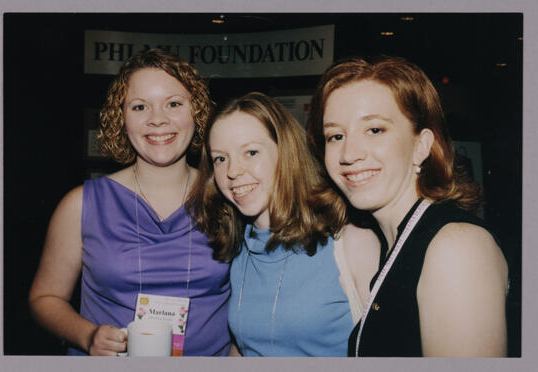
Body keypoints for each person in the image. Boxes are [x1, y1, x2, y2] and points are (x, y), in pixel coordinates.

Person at [29, 49, 231, 356]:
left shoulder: (229, 198)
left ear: (197, 111)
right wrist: (88, 335)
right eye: (139, 107)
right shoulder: (81, 204)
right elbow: (44, 298)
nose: (158, 120)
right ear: (120, 118)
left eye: (174, 104)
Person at [306, 55, 509, 357]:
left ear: (421, 145)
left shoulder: (456, 247)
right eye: (336, 136)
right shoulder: (396, 244)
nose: (348, 153)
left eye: (374, 130)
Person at [188, 92, 379, 356]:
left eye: (251, 152)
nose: (232, 171)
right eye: (221, 158)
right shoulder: (242, 250)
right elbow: (245, 347)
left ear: (286, 153)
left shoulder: (351, 242)